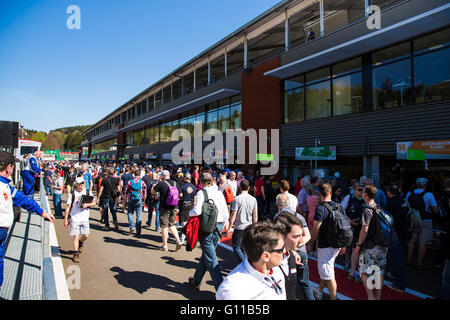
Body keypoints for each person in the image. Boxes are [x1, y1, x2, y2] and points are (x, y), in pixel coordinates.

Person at [0, 151, 55, 287]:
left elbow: (22, 198)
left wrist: (41, 212)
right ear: (8, 168)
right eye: (13, 166)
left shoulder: (6, 185)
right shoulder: (3, 186)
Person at [216, 221, 286, 300]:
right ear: (266, 256)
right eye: (281, 249)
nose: (284, 252)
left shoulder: (276, 269)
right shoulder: (233, 291)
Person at [188, 172, 229, 291]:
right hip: (219, 225)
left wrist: (188, 214)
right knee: (207, 254)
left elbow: (197, 211)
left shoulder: (202, 192)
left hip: (207, 227)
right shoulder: (218, 192)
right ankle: (196, 280)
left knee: (211, 259)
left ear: (201, 182)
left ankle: (221, 288)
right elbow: (225, 211)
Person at [273, 193, 314, 300]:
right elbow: (308, 235)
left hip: (286, 254)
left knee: (285, 281)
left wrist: (292, 246)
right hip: (302, 251)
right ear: (289, 203)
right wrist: (298, 243)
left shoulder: (278, 218)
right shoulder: (299, 216)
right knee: (304, 282)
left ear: (278, 204)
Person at [307, 183, 342, 300]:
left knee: (329, 273)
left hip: (325, 244)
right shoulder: (339, 206)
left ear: (319, 194)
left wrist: (310, 243)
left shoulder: (321, 209)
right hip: (337, 243)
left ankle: (333, 297)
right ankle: (320, 290)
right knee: (326, 269)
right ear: (331, 192)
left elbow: (316, 228)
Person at [354, 184, 388, 300]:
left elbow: (365, 229)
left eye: (363, 191)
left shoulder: (367, 210)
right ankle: (377, 297)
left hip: (370, 245)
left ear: (366, 195)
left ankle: (370, 297)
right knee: (379, 271)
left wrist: (358, 244)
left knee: (364, 272)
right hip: (382, 244)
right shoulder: (379, 207)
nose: (361, 193)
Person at [406, 177, 439, 269]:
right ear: (425, 185)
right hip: (425, 219)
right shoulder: (429, 195)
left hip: (413, 219)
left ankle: (409, 259)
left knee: (412, 239)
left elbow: (406, 206)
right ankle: (419, 263)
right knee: (423, 241)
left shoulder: (410, 193)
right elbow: (435, 210)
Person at [64, 177, 96, 263]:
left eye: (83, 183)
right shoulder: (72, 194)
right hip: (75, 217)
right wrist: (66, 219)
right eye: (80, 183)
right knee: (76, 235)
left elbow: (94, 203)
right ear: (76, 185)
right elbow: (67, 207)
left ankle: (81, 242)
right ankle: (76, 254)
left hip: (84, 217)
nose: (82, 185)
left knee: (86, 235)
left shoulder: (87, 192)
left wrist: (88, 204)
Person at [225, 179, 258, 263]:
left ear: (240, 187)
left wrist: (229, 226)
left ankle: (245, 264)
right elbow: (255, 215)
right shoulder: (253, 199)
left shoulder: (237, 199)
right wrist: (255, 226)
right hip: (249, 226)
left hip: (239, 226)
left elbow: (233, 214)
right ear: (249, 188)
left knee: (236, 246)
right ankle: (246, 263)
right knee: (244, 247)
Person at [385, 184, 409, 292]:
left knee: (397, 259)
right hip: (404, 232)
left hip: (395, 234)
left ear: (389, 193)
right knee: (398, 258)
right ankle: (396, 277)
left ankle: (399, 284)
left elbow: (387, 220)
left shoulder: (392, 203)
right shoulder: (404, 201)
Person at [152, 170, 183, 251]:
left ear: (163, 176)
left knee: (164, 226)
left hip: (164, 207)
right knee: (172, 224)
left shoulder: (161, 183)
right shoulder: (175, 183)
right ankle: (178, 240)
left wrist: (155, 184)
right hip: (174, 207)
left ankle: (165, 246)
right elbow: (181, 194)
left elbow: (152, 191)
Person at [340, 181, 365, 282]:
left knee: (357, 248)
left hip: (361, 228)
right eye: (359, 189)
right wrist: (349, 220)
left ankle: (355, 270)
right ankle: (347, 260)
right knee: (348, 245)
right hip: (349, 226)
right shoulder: (349, 198)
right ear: (354, 190)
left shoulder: (365, 198)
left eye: (362, 189)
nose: (361, 191)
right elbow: (341, 209)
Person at [123, 169, 147, 236]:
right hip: (139, 199)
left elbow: (126, 192)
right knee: (138, 215)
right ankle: (138, 231)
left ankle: (132, 226)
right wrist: (144, 200)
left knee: (130, 213)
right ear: (140, 174)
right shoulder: (142, 182)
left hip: (131, 198)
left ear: (134, 174)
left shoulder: (130, 182)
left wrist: (124, 201)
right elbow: (145, 193)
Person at [179, 173, 197, 244]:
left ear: (185, 178)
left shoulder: (182, 186)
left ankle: (182, 239)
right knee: (190, 223)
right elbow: (195, 198)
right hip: (191, 205)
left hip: (184, 205)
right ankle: (189, 239)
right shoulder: (194, 187)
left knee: (184, 223)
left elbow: (180, 195)